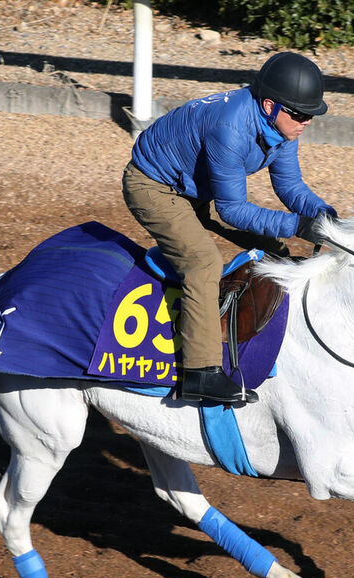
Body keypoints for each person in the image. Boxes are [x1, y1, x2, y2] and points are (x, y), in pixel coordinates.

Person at [122, 52, 337, 404]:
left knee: (274, 247)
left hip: (193, 188)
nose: (306, 122)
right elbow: (232, 210)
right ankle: (200, 373)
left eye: (310, 115)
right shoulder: (231, 127)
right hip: (153, 186)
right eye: (299, 114)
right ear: (270, 105)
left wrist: (323, 215)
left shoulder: (281, 126)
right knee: (203, 263)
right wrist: (298, 225)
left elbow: (290, 187)